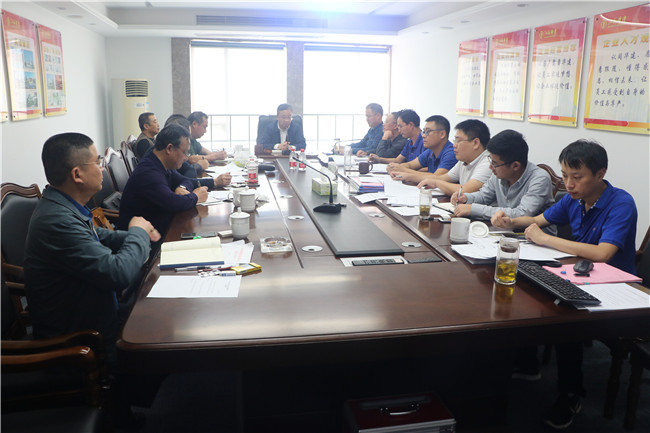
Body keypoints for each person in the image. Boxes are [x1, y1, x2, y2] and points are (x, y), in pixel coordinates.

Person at [492, 139, 637, 430]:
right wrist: (510, 221)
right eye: (565, 175)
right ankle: (527, 362)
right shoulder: (574, 199)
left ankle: (571, 395)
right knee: (530, 291)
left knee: (565, 320)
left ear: (600, 174)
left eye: (577, 177)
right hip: (581, 276)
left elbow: (603, 253)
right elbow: (538, 219)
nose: (568, 184)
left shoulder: (621, 203)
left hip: (616, 288)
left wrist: (546, 239)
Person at [24, 132, 160, 356]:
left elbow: (98, 235)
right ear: (77, 174)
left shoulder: (62, 204)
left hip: (95, 311)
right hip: (81, 339)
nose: (102, 168)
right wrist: (137, 233)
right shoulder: (57, 220)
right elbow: (118, 274)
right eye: (97, 162)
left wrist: (141, 234)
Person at [118, 123, 231, 235]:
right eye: (184, 152)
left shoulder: (160, 160)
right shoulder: (149, 173)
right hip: (142, 238)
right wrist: (196, 197)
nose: (186, 158)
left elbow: (184, 180)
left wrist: (182, 187)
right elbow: (172, 203)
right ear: (169, 148)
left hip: (159, 226)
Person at [451, 129, 555, 229]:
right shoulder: (499, 173)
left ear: (515, 166)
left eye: (494, 163)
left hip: (534, 237)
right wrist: (466, 198)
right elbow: (484, 196)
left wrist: (473, 209)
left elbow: (522, 213)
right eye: (490, 161)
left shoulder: (539, 179)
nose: (490, 167)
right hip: (504, 231)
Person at [415, 119, 491, 196]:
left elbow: (465, 190)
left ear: (476, 143)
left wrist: (436, 183)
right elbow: (442, 178)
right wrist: (431, 180)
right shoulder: (464, 161)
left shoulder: (488, 163)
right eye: (455, 141)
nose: (454, 145)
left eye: (458, 141)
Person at [385, 115, 457, 180]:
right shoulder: (430, 151)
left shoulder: (451, 153)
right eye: (424, 132)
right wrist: (395, 167)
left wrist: (404, 170)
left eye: (428, 131)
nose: (423, 135)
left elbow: (437, 177)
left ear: (442, 134)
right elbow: (410, 164)